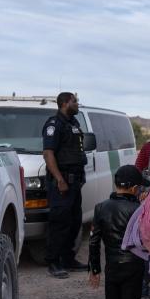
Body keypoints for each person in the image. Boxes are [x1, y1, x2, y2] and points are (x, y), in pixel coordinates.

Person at [88, 165, 150, 299]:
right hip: (133, 267)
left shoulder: (101, 208)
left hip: (112, 266)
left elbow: (94, 241)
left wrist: (95, 269)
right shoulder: (138, 210)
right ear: (134, 188)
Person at [41, 92, 88, 278]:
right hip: (62, 182)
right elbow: (48, 153)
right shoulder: (54, 124)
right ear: (65, 103)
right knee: (59, 222)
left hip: (75, 182)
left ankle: (68, 259)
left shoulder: (73, 124)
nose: (77, 104)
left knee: (75, 222)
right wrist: (59, 179)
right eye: (75, 101)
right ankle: (53, 262)